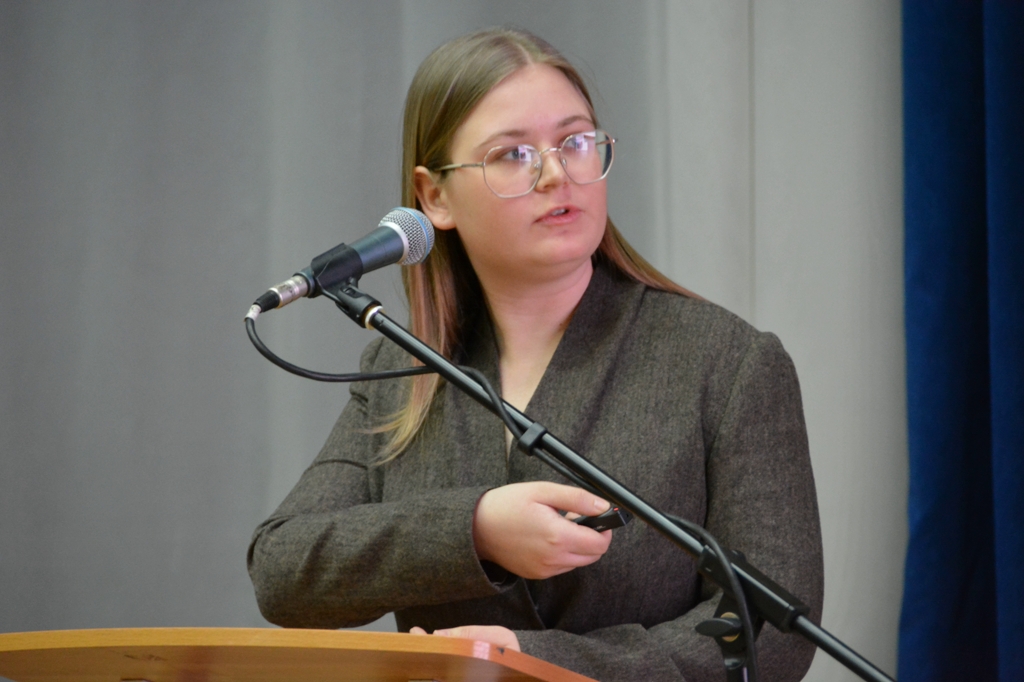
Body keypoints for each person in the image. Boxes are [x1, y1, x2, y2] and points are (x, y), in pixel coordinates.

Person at [248, 27, 824, 682]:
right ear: (435, 197)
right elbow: (282, 571)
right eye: (514, 154)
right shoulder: (400, 371)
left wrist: (539, 664)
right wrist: (474, 531)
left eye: (575, 142)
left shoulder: (727, 363)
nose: (556, 174)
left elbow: (770, 632)